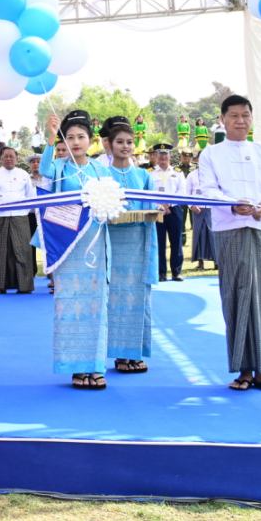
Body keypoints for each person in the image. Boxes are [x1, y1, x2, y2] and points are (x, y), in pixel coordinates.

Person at [197, 94, 261, 393]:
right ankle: (243, 370)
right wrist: (231, 205)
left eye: (245, 115)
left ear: (252, 118)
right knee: (236, 296)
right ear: (223, 120)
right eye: (234, 116)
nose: (240, 121)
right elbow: (207, 190)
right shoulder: (211, 154)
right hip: (230, 230)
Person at [41, 111, 113, 389]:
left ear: (90, 140)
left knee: (96, 303)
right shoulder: (59, 168)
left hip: (95, 242)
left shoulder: (100, 170)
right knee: (69, 303)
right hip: (67, 244)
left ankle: (95, 366)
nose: (75, 142)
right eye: (69, 137)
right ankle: (75, 367)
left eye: (81, 137)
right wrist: (51, 138)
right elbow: (44, 170)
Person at [103, 119, 158, 374]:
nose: (125, 146)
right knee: (114, 298)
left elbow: (152, 207)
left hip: (139, 243)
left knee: (138, 298)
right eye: (120, 142)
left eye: (129, 142)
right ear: (109, 144)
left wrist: (159, 209)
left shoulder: (144, 176)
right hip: (112, 244)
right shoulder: (101, 176)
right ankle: (117, 353)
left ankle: (133, 352)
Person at [0, 145, 36, 294]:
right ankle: (1, 285)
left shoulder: (23, 174)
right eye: (5, 156)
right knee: (3, 251)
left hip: (21, 217)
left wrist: (23, 211)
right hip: (1, 217)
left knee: (23, 250)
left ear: (17, 159)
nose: (8, 159)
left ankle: (24, 286)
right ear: (0, 159)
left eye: (11, 156)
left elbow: (30, 197)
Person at [148, 144, 184, 282]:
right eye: (160, 155)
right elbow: (149, 192)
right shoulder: (150, 173)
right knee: (159, 242)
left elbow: (182, 191)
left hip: (174, 210)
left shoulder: (178, 172)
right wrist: (160, 206)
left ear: (169, 156)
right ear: (156, 156)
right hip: (157, 210)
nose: (163, 158)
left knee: (176, 241)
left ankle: (176, 272)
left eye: (165, 155)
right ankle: (161, 273)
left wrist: (169, 204)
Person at [185, 152, 216, 270]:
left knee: (213, 235)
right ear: (197, 160)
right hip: (197, 210)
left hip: (211, 209)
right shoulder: (191, 175)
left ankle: (216, 262)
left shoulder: (214, 174)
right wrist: (191, 205)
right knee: (199, 235)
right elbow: (186, 193)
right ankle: (200, 262)